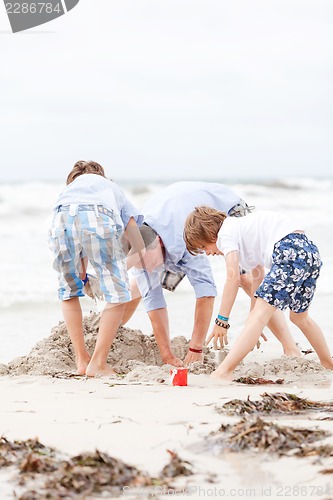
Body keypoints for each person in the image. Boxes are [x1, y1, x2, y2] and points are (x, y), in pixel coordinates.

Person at [122, 181, 300, 367]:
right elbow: (154, 302)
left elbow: (206, 293)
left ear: (158, 243)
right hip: (174, 218)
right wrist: (167, 356)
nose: (145, 267)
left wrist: (196, 348)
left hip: (223, 211)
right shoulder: (140, 246)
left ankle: (289, 347)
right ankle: (112, 330)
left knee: (245, 278)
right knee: (143, 285)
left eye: (146, 261)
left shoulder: (187, 242)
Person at [184, 206, 333, 380]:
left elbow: (233, 278)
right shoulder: (244, 232)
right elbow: (257, 278)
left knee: (259, 315)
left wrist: (222, 321)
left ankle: (223, 372)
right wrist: (253, 322)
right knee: (299, 317)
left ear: (210, 232)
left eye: (204, 246)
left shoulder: (226, 233)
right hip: (309, 253)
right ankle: (328, 363)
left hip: (289, 251)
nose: (208, 253)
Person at [48, 160, 144, 377]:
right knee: (119, 295)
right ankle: (98, 363)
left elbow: (80, 268)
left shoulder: (68, 192)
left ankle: (82, 360)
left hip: (60, 220)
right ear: (101, 174)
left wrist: (85, 278)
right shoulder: (109, 187)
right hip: (98, 216)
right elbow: (134, 234)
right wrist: (132, 256)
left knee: (69, 292)